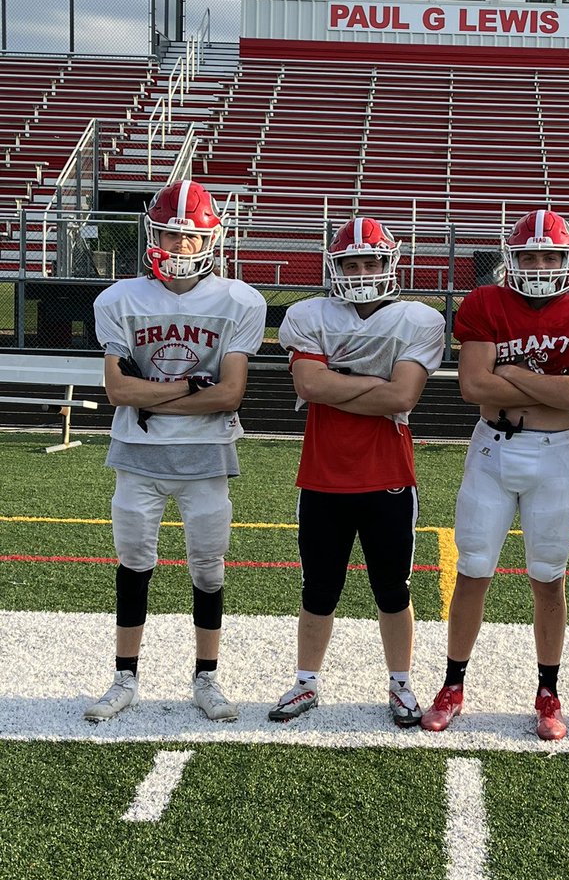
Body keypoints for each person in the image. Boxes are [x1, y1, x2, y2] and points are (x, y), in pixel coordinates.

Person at [420, 209, 569, 740]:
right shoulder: (485, 302)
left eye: (550, 255)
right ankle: (453, 684)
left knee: (549, 577)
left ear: (568, 259)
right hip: (493, 452)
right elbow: (474, 388)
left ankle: (549, 691)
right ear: (513, 259)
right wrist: (540, 385)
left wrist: (514, 375)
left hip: (554, 455)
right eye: (530, 255)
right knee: (473, 571)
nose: (541, 264)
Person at [85, 179, 266, 723]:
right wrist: (191, 388)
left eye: (190, 237)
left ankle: (206, 677)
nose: (180, 245)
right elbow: (118, 392)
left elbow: (231, 393)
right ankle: (125, 677)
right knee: (133, 563)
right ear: (152, 233)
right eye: (169, 234)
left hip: (206, 456)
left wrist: (156, 396)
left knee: (208, 568)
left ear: (212, 239)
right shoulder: (119, 299)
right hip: (137, 456)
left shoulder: (238, 300)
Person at [269, 217, 445, 728]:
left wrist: (337, 379)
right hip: (323, 475)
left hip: (387, 475)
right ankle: (306, 682)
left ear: (389, 264)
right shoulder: (310, 315)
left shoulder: (417, 319)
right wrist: (373, 384)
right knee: (317, 589)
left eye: (371, 261)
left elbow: (403, 395)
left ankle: (401, 683)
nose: (362, 271)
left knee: (394, 589)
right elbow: (309, 386)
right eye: (352, 262)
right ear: (335, 267)